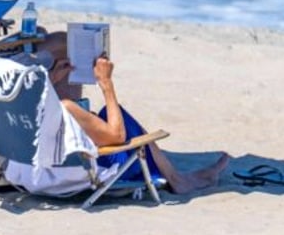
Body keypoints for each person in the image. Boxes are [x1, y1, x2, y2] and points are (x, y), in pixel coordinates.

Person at [54, 54, 230, 194]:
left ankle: (175, 177)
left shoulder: (32, 110)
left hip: (47, 175)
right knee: (114, 114)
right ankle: (177, 180)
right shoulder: (66, 107)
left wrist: (52, 79)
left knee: (101, 117)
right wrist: (106, 83)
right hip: (100, 171)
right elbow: (117, 135)